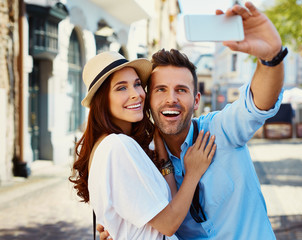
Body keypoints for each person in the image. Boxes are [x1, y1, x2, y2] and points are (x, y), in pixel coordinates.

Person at [99, 1, 286, 239]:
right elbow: (146, 221)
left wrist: (272, 58)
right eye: (161, 90)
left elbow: (258, 103)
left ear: (196, 100)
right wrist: (120, 230)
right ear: (148, 100)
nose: (171, 99)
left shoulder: (222, 130)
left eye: (181, 90)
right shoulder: (145, 160)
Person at [69, 51, 217, 240]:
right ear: (102, 99)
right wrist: (194, 172)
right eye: (121, 88)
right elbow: (169, 224)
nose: (136, 95)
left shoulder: (110, 146)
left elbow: (170, 205)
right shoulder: (117, 146)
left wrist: (162, 154)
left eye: (137, 84)